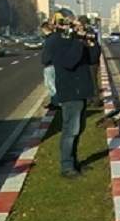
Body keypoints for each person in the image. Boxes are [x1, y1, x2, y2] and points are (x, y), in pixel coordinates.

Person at [42, 12, 101, 178]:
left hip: (81, 90)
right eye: (67, 23)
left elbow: (92, 59)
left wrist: (92, 41)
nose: (71, 26)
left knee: (79, 129)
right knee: (71, 130)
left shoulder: (74, 41)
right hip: (69, 91)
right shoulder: (55, 41)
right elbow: (69, 62)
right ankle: (66, 166)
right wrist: (77, 41)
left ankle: (74, 161)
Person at [40, 22, 58, 110]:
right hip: (50, 64)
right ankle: (54, 102)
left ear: (44, 29)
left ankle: (56, 103)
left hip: (50, 64)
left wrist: (47, 60)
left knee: (51, 84)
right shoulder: (51, 37)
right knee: (49, 84)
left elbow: (50, 52)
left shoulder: (51, 38)